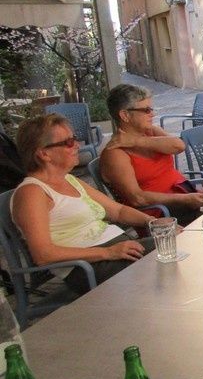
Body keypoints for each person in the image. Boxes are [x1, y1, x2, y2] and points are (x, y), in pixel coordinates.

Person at [11, 114, 155, 294]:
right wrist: (108, 252)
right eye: (69, 142)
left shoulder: (69, 180)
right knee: (174, 255)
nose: (77, 145)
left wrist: (154, 223)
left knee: (181, 242)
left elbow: (117, 211)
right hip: (88, 267)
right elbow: (43, 254)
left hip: (119, 251)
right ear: (44, 153)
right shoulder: (32, 193)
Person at [100, 84, 203, 226]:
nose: (152, 114)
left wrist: (136, 141)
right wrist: (183, 199)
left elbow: (179, 145)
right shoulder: (115, 154)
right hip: (160, 214)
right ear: (125, 115)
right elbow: (137, 198)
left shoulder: (149, 132)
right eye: (146, 110)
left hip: (184, 196)